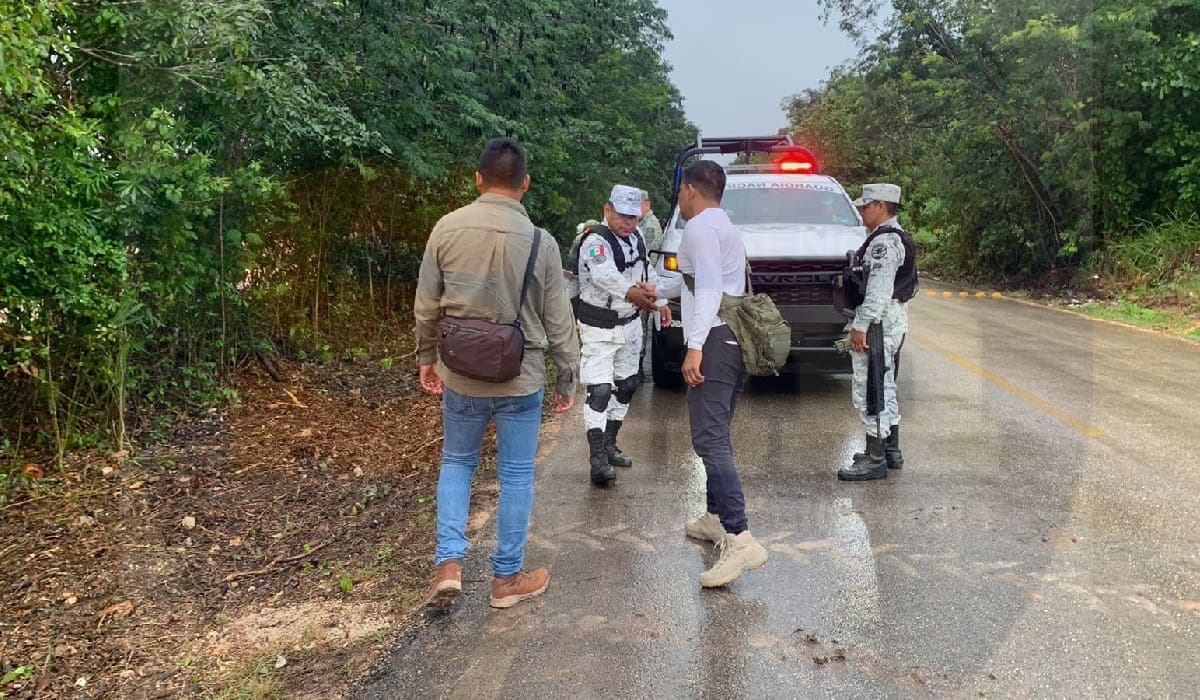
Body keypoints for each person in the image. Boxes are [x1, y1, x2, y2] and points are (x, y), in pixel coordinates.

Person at [413, 138, 579, 610]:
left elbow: (427, 304)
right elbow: (557, 318)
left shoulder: (446, 228)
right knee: (517, 474)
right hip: (520, 377)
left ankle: (448, 565)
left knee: (458, 462)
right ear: (524, 184)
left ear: (478, 179)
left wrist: (427, 357)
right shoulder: (540, 242)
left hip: (460, 373)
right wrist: (568, 375)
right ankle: (506, 580)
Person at [674, 160, 769, 588]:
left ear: (691, 190)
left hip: (714, 340)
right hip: (730, 339)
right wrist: (653, 294)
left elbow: (711, 287)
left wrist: (694, 346)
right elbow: (699, 285)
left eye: (680, 191)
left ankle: (740, 535)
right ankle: (714, 518)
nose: (680, 198)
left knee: (709, 438)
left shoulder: (697, 228)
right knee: (718, 432)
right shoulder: (723, 225)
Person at [574, 185, 670, 486]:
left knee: (628, 385)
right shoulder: (595, 241)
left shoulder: (637, 238)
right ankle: (597, 459)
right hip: (598, 326)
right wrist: (634, 295)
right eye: (622, 215)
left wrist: (661, 301)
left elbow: (646, 272)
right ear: (607, 210)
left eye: (633, 217)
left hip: (629, 324)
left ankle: (611, 443)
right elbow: (605, 276)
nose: (628, 222)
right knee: (600, 391)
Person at [837, 183, 915, 481]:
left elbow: (879, 291)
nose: (861, 210)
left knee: (873, 388)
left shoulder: (884, 244)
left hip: (878, 324)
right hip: (888, 322)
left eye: (866, 205)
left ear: (882, 206)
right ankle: (890, 450)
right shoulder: (893, 238)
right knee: (885, 383)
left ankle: (875, 458)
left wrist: (861, 326)